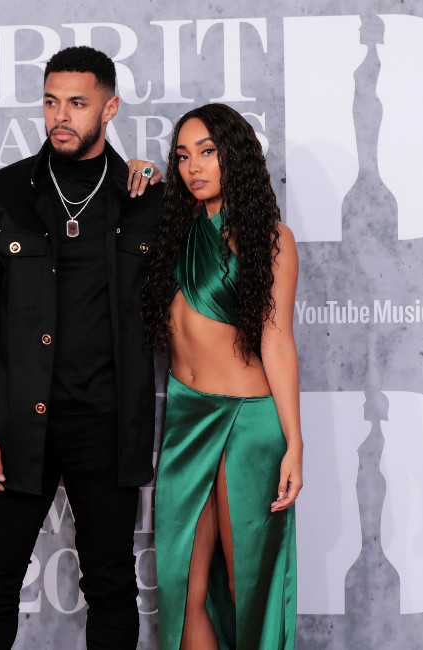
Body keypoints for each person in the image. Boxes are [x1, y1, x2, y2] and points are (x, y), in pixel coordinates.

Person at [0, 45, 162, 650]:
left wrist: (157, 181)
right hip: (16, 424)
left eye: (77, 103)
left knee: (112, 584)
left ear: (109, 109)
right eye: (50, 101)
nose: (60, 116)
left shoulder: (148, 202)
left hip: (106, 424)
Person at [142, 103, 303, 649]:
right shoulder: (175, 231)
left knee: (246, 585)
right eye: (183, 156)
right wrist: (137, 171)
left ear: (234, 155)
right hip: (187, 419)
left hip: (247, 423)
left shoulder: (269, 238)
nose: (194, 166)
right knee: (181, 589)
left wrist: (294, 443)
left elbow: (277, 342)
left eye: (207, 152)